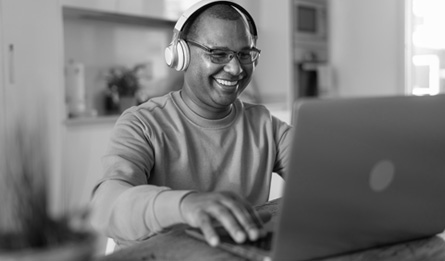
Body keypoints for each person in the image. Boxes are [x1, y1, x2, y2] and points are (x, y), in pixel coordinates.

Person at [90, 0, 292, 250]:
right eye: (218, 53)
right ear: (180, 55)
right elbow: (105, 205)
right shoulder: (142, 123)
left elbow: (325, 172)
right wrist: (185, 205)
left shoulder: (265, 126)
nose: (235, 68)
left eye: (244, 54)